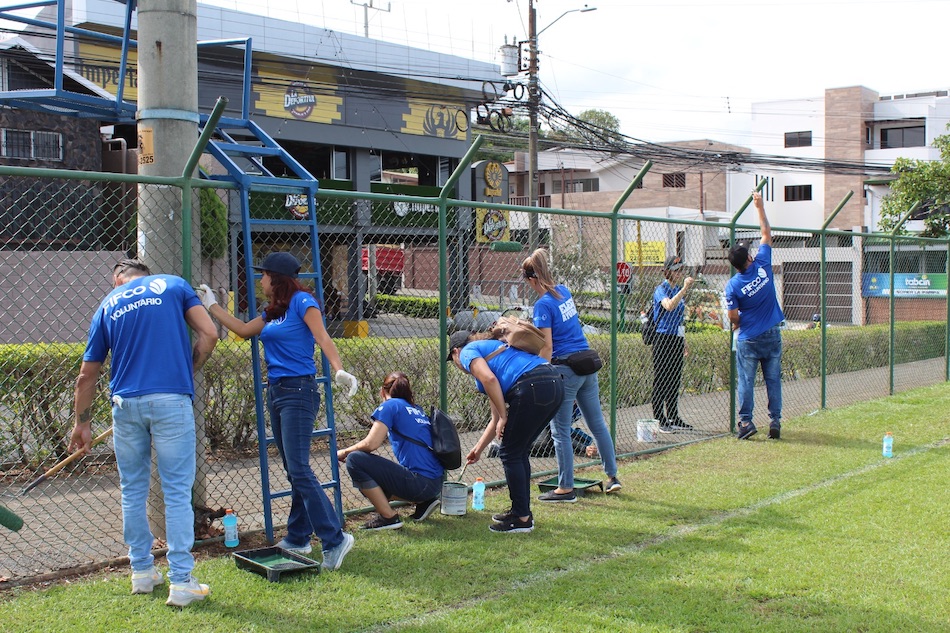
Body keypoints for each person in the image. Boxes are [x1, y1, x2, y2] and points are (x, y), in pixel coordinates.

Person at [69, 258, 218, 608]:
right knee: (177, 491)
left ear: (118, 278)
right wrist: (187, 369)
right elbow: (209, 334)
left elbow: (86, 376)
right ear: (146, 276)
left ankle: (141, 572)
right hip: (171, 401)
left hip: (126, 405)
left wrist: (83, 423)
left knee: (132, 489)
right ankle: (181, 580)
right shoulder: (174, 285)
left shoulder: (108, 303)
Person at [198, 252, 357, 569]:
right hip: (279, 392)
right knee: (294, 469)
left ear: (276, 278)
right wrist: (212, 306)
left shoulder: (302, 302)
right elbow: (243, 330)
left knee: (299, 469)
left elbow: (322, 337)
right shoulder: (273, 311)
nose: (261, 280)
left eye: (264, 275)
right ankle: (298, 536)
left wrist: (338, 369)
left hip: (299, 391)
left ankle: (335, 539)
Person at [522, 249, 622, 502]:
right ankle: (613, 477)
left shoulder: (543, 304)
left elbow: (547, 346)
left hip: (566, 370)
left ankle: (565, 488)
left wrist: (541, 374)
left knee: (560, 430)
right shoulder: (563, 291)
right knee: (597, 424)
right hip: (587, 365)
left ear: (531, 279)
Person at [447, 329, 563, 533]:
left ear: (456, 351)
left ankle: (522, 518)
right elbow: (495, 419)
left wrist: (503, 415)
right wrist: (479, 449)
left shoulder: (468, 352)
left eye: (453, 359)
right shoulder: (493, 353)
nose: (457, 365)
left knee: (510, 452)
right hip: (553, 382)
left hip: (532, 385)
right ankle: (521, 512)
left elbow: (490, 381)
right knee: (518, 451)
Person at [337, 371, 444, 530]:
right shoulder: (416, 409)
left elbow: (371, 443)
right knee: (369, 471)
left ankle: (389, 517)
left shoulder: (390, 405)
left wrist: (343, 452)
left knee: (355, 460)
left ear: (382, 391)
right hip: (435, 484)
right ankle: (424, 502)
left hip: (419, 483)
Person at [725, 191, 785, 440]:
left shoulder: (732, 285)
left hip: (748, 337)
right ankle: (775, 422)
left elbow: (732, 315)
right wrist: (759, 206)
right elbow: (766, 233)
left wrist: (738, 323)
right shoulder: (762, 264)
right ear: (749, 258)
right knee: (773, 380)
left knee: (746, 382)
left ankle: (746, 423)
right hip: (772, 333)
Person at [650, 255, 696, 434]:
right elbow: (668, 306)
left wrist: (683, 340)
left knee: (674, 379)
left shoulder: (677, 288)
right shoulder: (661, 289)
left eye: (681, 270)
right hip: (662, 338)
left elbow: (679, 318)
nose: (680, 273)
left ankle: (673, 416)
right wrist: (685, 288)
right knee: (661, 379)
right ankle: (659, 419)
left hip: (676, 337)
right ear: (668, 271)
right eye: (676, 270)